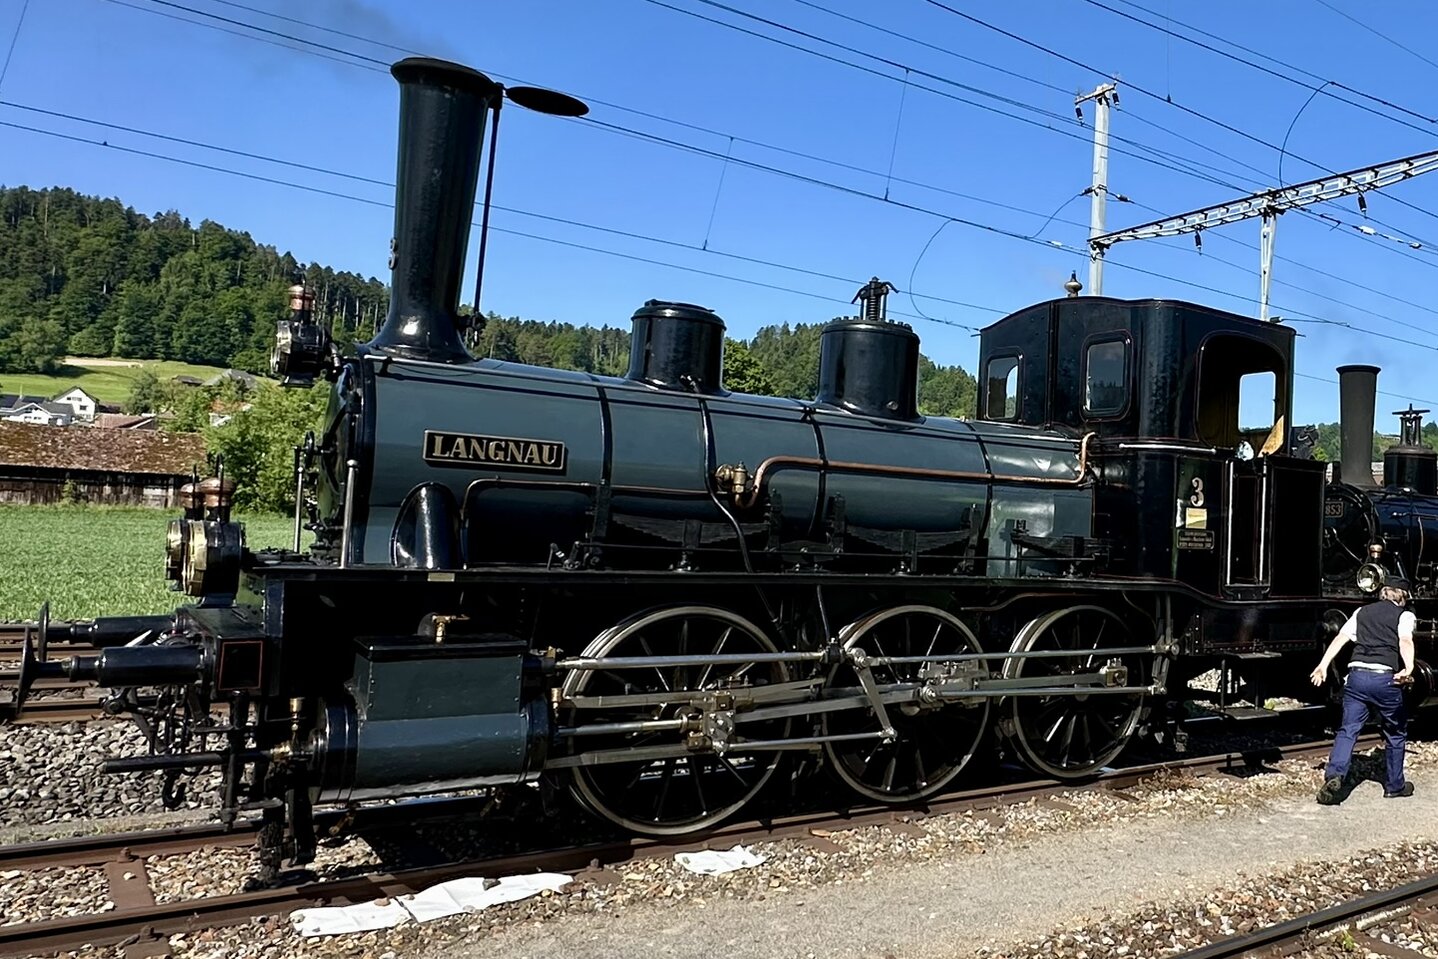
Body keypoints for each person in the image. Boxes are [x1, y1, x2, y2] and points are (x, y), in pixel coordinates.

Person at [1309, 575, 1416, 803]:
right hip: (1384, 680)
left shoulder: (1361, 612)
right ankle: (1394, 786)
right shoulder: (1404, 616)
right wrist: (1408, 667)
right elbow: (1405, 641)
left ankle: (1335, 775)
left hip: (1356, 678)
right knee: (1395, 733)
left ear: (1382, 593)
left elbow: (1340, 638)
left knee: (1348, 730)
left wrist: (1322, 666)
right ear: (1402, 598)